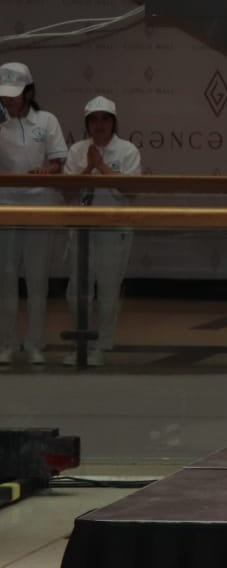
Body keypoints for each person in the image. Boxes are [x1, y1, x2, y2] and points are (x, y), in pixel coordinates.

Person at [63, 96, 143, 366]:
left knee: (108, 289)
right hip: (81, 229)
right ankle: (81, 344)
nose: (100, 125)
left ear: (113, 122)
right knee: (77, 291)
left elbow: (131, 189)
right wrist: (88, 165)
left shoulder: (128, 150)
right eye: (94, 120)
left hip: (114, 229)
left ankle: (102, 344)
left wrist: (101, 166)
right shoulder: (77, 150)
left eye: (105, 119)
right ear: (87, 123)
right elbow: (67, 190)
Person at [0, 62, 66, 366]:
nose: (8, 100)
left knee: (37, 279)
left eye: (14, 94)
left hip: (40, 204)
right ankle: (7, 343)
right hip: (5, 208)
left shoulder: (47, 120)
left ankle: (35, 342)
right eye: (3, 95)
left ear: (29, 92)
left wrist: (46, 170)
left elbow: (57, 162)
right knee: (6, 278)